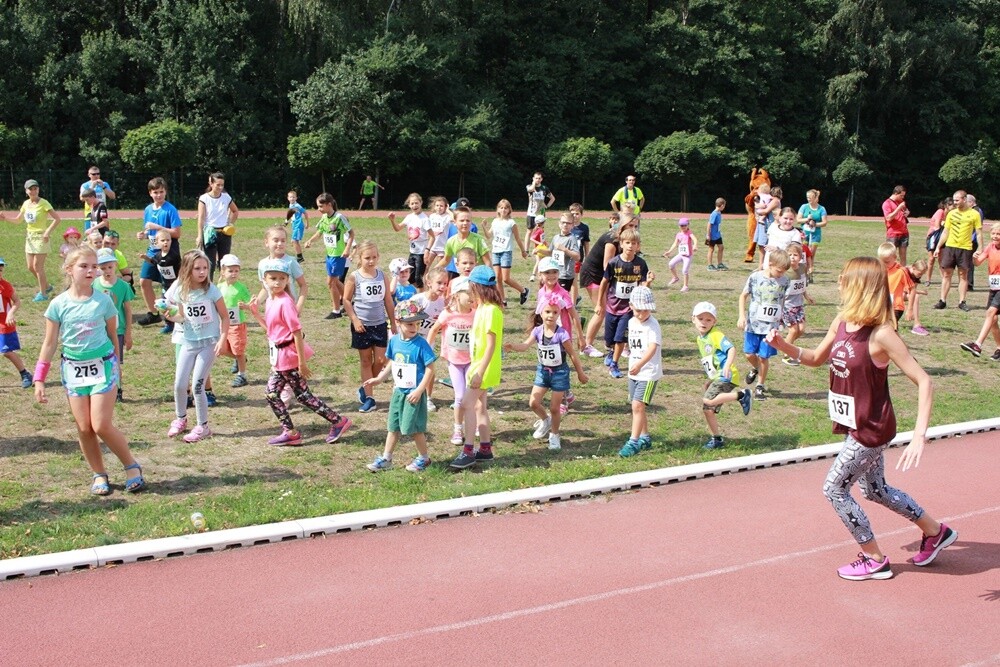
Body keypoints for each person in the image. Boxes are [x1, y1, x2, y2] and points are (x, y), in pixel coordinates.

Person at [765, 256, 957, 581]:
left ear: (861, 286)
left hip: (870, 428)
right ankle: (934, 531)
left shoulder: (882, 335)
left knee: (834, 488)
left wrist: (919, 435)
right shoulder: (842, 319)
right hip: (852, 421)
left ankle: (874, 558)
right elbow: (814, 358)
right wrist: (783, 344)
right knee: (875, 490)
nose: (839, 281)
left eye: (845, 277)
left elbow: (924, 380)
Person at [34, 247, 145, 495]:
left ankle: (132, 466)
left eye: (94, 266)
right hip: (73, 369)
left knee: (101, 424)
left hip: (103, 367)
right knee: (84, 427)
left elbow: (112, 334)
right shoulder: (58, 304)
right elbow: (50, 342)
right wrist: (39, 378)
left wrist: (116, 364)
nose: (91, 270)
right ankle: (99, 473)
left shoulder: (103, 301)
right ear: (69, 269)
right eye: (84, 266)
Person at [249, 259, 353, 446]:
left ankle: (338, 421)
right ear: (264, 279)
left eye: (282, 278)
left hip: (289, 357)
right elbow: (271, 332)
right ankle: (291, 432)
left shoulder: (285, 303)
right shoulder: (271, 301)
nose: (277, 282)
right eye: (273, 278)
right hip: (279, 357)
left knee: (302, 395)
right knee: (273, 394)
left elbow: (296, 332)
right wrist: (255, 313)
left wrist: (301, 362)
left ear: (287, 280)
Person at [505, 296, 588, 451]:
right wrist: (513, 346)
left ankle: (554, 435)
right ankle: (545, 420)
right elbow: (525, 345)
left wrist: (580, 373)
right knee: (533, 403)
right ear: (541, 313)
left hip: (560, 373)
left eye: (555, 312)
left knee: (555, 408)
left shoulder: (562, 334)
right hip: (542, 371)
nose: (551, 315)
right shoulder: (537, 331)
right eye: (547, 311)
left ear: (559, 315)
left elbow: (572, 354)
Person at [162, 249, 228, 443]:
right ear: (187, 270)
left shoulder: (212, 291)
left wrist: (223, 338)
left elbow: (224, 317)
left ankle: (203, 426)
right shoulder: (181, 290)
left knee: (198, 385)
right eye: (197, 268)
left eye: (205, 268)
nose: (202, 272)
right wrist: (171, 316)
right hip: (188, 342)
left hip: (209, 343)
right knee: (180, 384)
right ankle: (181, 418)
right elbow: (181, 317)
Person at [364, 299, 437, 472]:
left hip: (414, 394)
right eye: (410, 324)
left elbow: (430, 368)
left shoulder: (421, 344)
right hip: (398, 392)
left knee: (414, 428)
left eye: (417, 324)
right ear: (398, 322)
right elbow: (392, 362)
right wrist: (380, 378)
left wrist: (420, 390)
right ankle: (386, 458)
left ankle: (423, 458)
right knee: (393, 426)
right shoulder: (395, 341)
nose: (414, 328)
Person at [449, 266, 503, 470]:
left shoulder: (491, 311)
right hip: (478, 365)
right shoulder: (483, 308)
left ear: (477, 286)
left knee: (465, 404)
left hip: (484, 368)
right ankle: (486, 449)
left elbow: (490, 345)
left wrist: (480, 372)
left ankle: (468, 450)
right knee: (479, 406)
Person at [343, 241, 397, 413]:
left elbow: (387, 300)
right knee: (366, 361)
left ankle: (364, 387)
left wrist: (393, 322)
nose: (371, 261)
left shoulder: (382, 276)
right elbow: (346, 300)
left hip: (380, 324)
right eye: (367, 258)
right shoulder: (354, 277)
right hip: (362, 326)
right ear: (360, 258)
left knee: (381, 361)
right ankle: (370, 398)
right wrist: (355, 320)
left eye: (374, 257)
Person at [692, 301, 753, 450]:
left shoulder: (716, 335)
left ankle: (742, 395)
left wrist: (726, 366)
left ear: (714, 321)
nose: (704, 323)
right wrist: (710, 380)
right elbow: (711, 360)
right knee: (708, 409)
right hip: (717, 376)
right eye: (700, 319)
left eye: (708, 319)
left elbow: (731, 349)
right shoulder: (701, 339)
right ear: (693, 319)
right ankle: (717, 439)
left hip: (727, 375)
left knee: (708, 399)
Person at [579, 213, 638, 357]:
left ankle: (615, 344)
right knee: (601, 310)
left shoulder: (626, 239)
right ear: (623, 225)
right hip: (593, 275)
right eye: (630, 225)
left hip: (604, 276)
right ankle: (586, 346)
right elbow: (607, 265)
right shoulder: (612, 240)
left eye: (636, 226)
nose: (633, 229)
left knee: (616, 309)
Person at [597, 228, 653, 379]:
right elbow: (604, 282)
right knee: (609, 339)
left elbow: (642, 288)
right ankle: (611, 351)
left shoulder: (641, 264)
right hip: (611, 306)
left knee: (621, 337)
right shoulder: (614, 263)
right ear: (621, 244)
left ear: (638, 246)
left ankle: (614, 364)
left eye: (634, 243)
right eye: (627, 243)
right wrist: (599, 303)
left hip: (629, 309)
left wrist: (647, 282)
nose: (630, 246)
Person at [426, 277, 476, 445]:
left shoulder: (475, 313)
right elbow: (433, 329)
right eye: (468, 293)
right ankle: (457, 429)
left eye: (473, 293)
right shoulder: (448, 313)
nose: (471, 297)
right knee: (460, 396)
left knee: (472, 395)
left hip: (471, 360)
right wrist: (427, 348)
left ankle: (473, 424)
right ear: (456, 296)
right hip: (454, 361)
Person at [737, 248, 790, 400]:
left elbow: (782, 299)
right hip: (753, 324)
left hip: (770, 327)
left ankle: (759, 385)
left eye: (783, 272)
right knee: (749, 353)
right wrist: (742, 316)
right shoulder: (755, 277)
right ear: (770, 264)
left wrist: (781, 318)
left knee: (763, 357)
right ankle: (756, 368)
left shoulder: (785, 281)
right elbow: (743, 295)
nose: (781, 274)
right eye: (779, 270)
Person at [616, 286, 662, 457]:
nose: (642, 313)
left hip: (648, 372)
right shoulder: (631, 322)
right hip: (634, 370)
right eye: (638, 309)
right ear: (631, 306)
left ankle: (633, 442)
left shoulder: (653, 325)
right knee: (637, 406)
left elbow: (652, 347)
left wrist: (641, 364)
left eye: (645, 310)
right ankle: (645, 436)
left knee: (637, 405)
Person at [135, 177, 182, 328]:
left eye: (161, 192)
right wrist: (143, 235)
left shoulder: (170, 209)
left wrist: (157, 227)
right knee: (144, 281)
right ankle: (153, 314)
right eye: (156, 192)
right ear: (150, 193)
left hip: (168, 253)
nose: (159, 195)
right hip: (152, 251)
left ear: (166, 192)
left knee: (169, 286)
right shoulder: (148, 209)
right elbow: (149, 230)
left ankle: (172, 319)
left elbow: (176, 233)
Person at [4, 179, 61, 302]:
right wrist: (5, 218)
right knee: (30, 267)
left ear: (38, 190)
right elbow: (18, 220)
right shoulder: (26, 204)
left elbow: (57, 219)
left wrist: (47, 232)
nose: (33, 191)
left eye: (35, 188)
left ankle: (43, 294)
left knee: (37, 266)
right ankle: (47, 286)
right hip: (30, 237)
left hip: (41, 237)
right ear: (26, 191)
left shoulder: (44, 203)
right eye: (31, 189)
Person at [94, 248, 134, 402]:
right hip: (99, 330)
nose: (107, 271)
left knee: (116, 360)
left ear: (116, 265)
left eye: (110, 267)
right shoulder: (95, 285)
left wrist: (128, 333)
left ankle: (118, 389)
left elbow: (128, 310)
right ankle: (102, 388)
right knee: (100, 360)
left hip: (118, 329)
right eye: (103, 268)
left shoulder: (123, 286)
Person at [933, 190, 981, 312]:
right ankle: (942, 300)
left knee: (963, 275)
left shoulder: (974, 214)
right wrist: (938, 247)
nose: (954, 202)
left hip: (965, 248)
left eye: (957, 200)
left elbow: (979, 233)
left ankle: (962, 301)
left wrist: (980, 248)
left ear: (964, 199)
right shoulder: (951, 213)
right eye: (954, 200)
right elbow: (945, 232)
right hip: (950, 247)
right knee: (946, 274)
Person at [304, 194, 350, 318]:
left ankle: (336, 311)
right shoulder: (324, 218)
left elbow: (351, 233)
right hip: (329, 255)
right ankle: (350, 301)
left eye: (320, 206)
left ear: (329, 204)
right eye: (318, 206)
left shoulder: (339, 217)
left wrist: (347, 248)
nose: (318, 209)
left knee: (330, 282)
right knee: (335, 281)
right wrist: (310, 241)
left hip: (338, 255)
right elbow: (320, 232)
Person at [960, 222, 1000, 358]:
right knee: (993, 319)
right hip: (994, 287)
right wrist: (974, 257)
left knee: (990, 313)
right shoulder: (990, 247)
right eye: (993, 233)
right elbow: (978, 262)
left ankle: (978, 344)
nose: (995, 236)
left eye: (998, 234)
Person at [484, 199, 529, 306]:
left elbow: (518, 238)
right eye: (501, 207)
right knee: (497, 278)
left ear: (509, 210)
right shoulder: (495, 221)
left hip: (506, 252)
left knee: (505, 278)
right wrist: (484, 227)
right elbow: (488, 236)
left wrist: (523, 251)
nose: (503, 210)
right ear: (498, 209)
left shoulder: (511, 223)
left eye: (506, 208)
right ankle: (502, 300)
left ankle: (523, 291)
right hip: (496, 251)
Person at [216, 254, 252, 388]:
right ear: (223, 272)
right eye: (230, 271)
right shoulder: (219, 287)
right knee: (222, 349)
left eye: (236, 271)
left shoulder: (240, 287)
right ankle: (240, 359)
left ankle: (242, 375)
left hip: (237, 325)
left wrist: (246, 306)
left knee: (238, 350)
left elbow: (251, 302)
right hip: (223, 324)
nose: (234, 274)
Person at [196, 172, 239, 280]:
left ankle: (223, 286)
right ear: (211, 183)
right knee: (210, 263)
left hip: (224, 233)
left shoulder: (226, 197)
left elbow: (235, 211)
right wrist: (200, 236)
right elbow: (201, 218)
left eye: (222, 185)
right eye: (218, 185)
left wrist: (230, 223)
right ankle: (208, 286)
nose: (220, 187)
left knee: (224, 262)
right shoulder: (204, 198)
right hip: (210, 233)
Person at [0, 257, 35, 388]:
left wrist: (10, 314)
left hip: (4, 324)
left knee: (7, 352)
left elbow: (17, 301)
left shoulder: (5, 286)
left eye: (0, 270)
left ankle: (25, 374)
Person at [780, 243, 814, 365]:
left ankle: (786, 345)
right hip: (787, 305)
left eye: (795, 255)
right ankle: (786, 355)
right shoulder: (784, 272)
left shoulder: (802, 267)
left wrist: (807, 296)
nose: (793, 257)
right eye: (790, 255)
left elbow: (802, 283)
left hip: (799, 304)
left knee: (801, 330)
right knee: (793, 330)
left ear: (801, 257)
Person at [388, 192, 431, 288]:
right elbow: (398, 228)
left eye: (416, 203)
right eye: (412, 203)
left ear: (421, 202)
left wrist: (427, 251)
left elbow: (432, 236)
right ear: (409, 205)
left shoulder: (424, 219)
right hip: (412, 252)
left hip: (421, 253)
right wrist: (392, 220)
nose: (414, 205)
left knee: (418, 278)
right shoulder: (409, 217)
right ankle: (416, 293)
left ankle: (421, 296)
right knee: (410, 277)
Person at [435, 206, 490, 276]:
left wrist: (489, 278)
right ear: (454, 222)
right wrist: (433, 270)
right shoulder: (451, 241)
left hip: (478, 278)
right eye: (462, 220)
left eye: (468, 220)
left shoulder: (478, 240)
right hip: (462, 277)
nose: (465, 223)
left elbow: (487, 262)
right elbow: (446, 260)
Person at [547, 213, 582, 297]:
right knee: (552, 297)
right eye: (563, 222)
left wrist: (564, 249)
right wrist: (539, 250)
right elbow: (550, 252)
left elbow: (577, 256)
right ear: (559, 224)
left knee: (559, 299)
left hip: (565, 275)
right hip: (555, 272)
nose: (565, 225)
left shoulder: (571, 239)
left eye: (568, 223)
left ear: (572, 225)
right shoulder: (556, 237)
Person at [797, 189, 827, 282]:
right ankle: (803, 273)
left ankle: (810, 273)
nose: (808, 199)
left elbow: (824, 222)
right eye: (807, 197)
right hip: (805, 233)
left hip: (815, 234)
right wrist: (807, 219)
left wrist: (815, 224)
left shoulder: (821, 209)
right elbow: (798, 219)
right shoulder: (804, 207)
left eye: (810, 197)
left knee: (811, 254)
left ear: (815, 198)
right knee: (804, 253)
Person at [664, 218, 697, 292]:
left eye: (685, 225)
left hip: (688, 256)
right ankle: (675, 278)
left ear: (688, 225)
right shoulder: (678, 235)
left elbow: (694, 239)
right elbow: (675, 244)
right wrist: (669, 251)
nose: (683, 227)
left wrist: (695, 245)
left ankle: (685, 286)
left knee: (684, 270)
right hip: (681, 255)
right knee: (671, 264)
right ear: (679, 226)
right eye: (681, 225)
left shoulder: (689, 233)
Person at [882, 185, 910, 266]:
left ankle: (902, 274)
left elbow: (905, 211)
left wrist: (907, 213)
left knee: (903, 256)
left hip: (904, 232)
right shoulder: (887, 203)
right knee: (890, 256)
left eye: (903, 196)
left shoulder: (900, 202)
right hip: (893, 233)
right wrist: (898, 208)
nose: (903, 198)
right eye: (901, 195)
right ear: (895, 193)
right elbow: (888, 218)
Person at [925, 198, 950, 286]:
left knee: (941, 259)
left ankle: (944, 279)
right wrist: (945, 223)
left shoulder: (950, 214)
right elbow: (937, 225)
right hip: (933, 237)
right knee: (931, 259)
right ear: (946, 205)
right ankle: (928, 279)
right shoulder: (940, 211)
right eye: (951, 205)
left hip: (942, 237)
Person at [425, 196, 452, 269]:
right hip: (432, 246)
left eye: (441, 206)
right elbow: (428, 229)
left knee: (439, 268)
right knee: (426, 266)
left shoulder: (447, 217)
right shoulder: (432, 216)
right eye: (437, 205)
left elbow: (454, 218)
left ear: (445, 207)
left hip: (442, 247)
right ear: (434, 206)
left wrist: (448, 211)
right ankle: (423, 280)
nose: (439, 207)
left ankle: (436, 279)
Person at [286, 190, 309, 263]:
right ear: (288, 198)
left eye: (293, 197)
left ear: (296, 198)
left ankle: (299, 258)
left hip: (298, 226)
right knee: (295, 241)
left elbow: (305, 213)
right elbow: (291, 214)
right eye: (290, 197)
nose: (292, 198)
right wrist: (286, 222)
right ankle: (300, 257)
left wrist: (307, 223)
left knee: (294, 241)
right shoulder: (291, 205)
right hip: (294, 225)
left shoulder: (297, 206)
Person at [706, 197, 727, 271]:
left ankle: (719, 264)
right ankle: (709, 265)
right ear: (721, 205)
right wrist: (708, 235)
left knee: (721, 247)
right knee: (711, 249)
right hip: (712, 235)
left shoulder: (719, 213)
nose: (724, 207)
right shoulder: (714, 214)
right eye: (724, 206)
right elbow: (709, 225)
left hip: (718, 235)